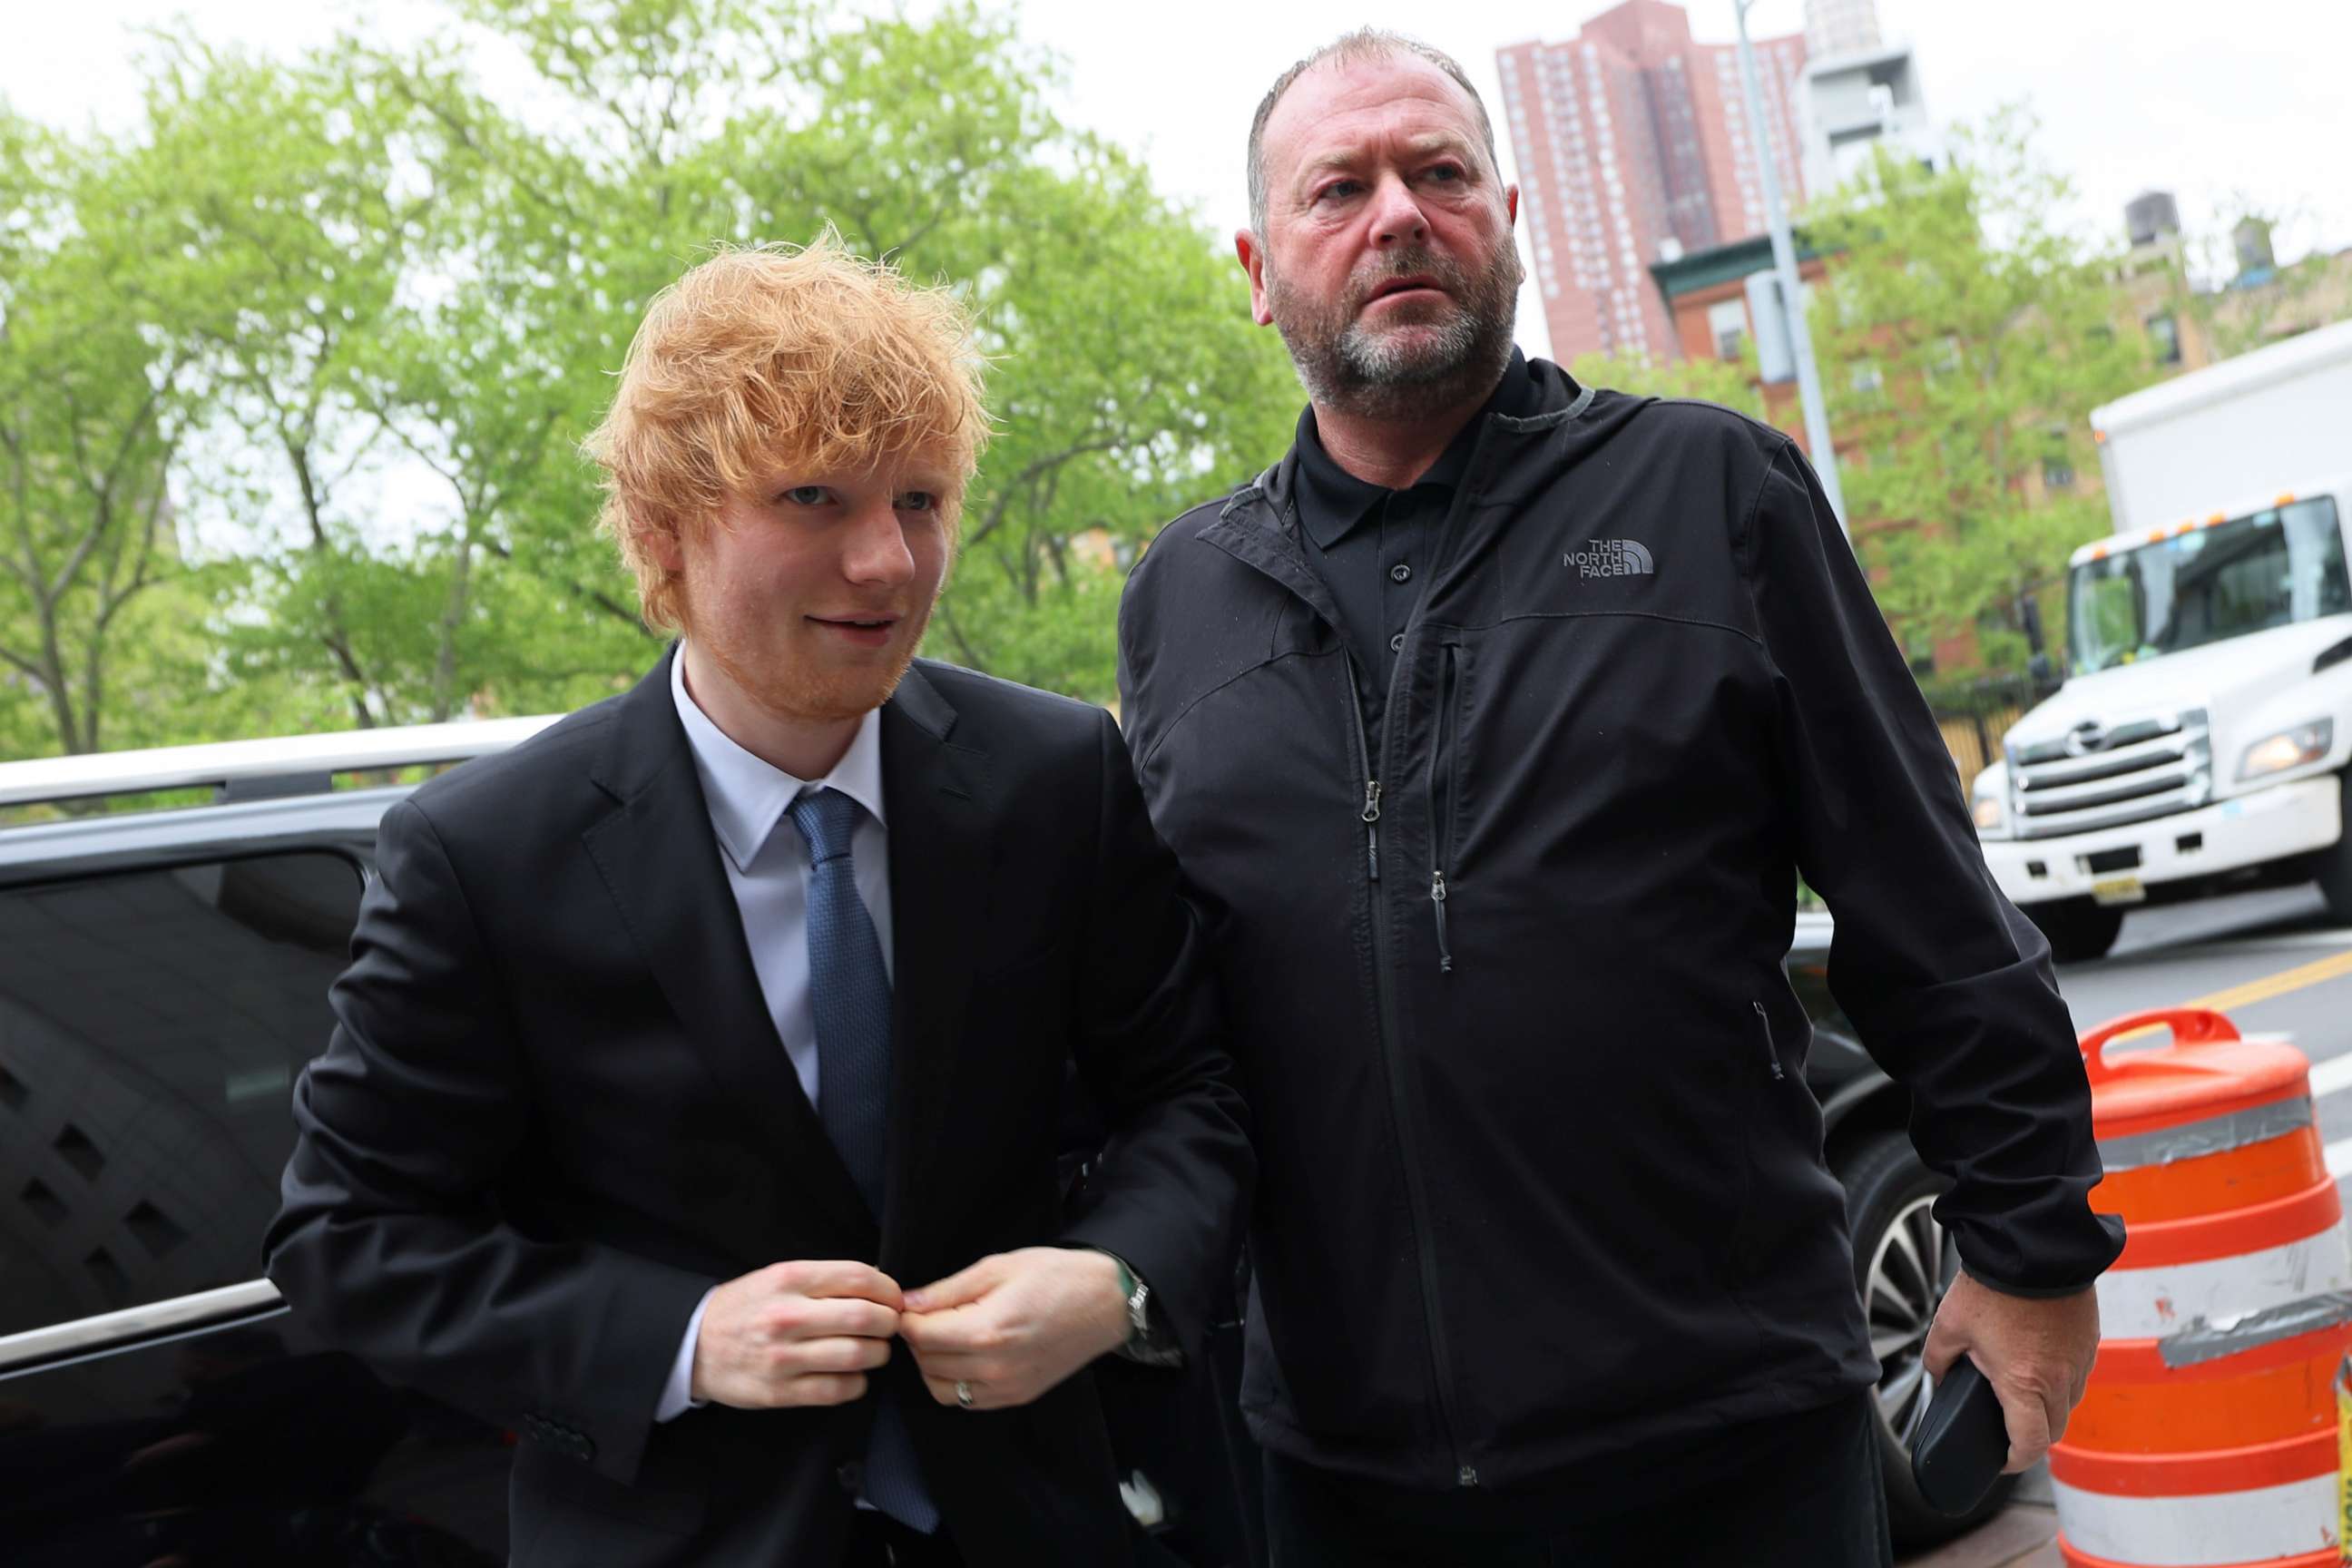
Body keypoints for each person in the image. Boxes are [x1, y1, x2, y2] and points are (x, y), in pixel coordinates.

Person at [1115, 31, 2122, 1567]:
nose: (1398, 213)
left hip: (1727, 1446)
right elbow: (1167, 1032)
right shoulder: (1184, 599)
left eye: (1440, 175)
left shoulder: (1714, 497)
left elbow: (1927, 901)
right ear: (1260, 269)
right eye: (1341, 188)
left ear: (1507, 219)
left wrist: (2035, 1242)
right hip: (1339, 1474)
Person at [265, 238, 1251, 1568]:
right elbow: (348, 1241)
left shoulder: (1052, 777)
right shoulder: (483, 855)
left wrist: (1115, 1281)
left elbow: (1194, 1092)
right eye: (814, 499)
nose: (890, 563)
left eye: (919, 499)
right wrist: (679, 1342)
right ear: (667, 527)